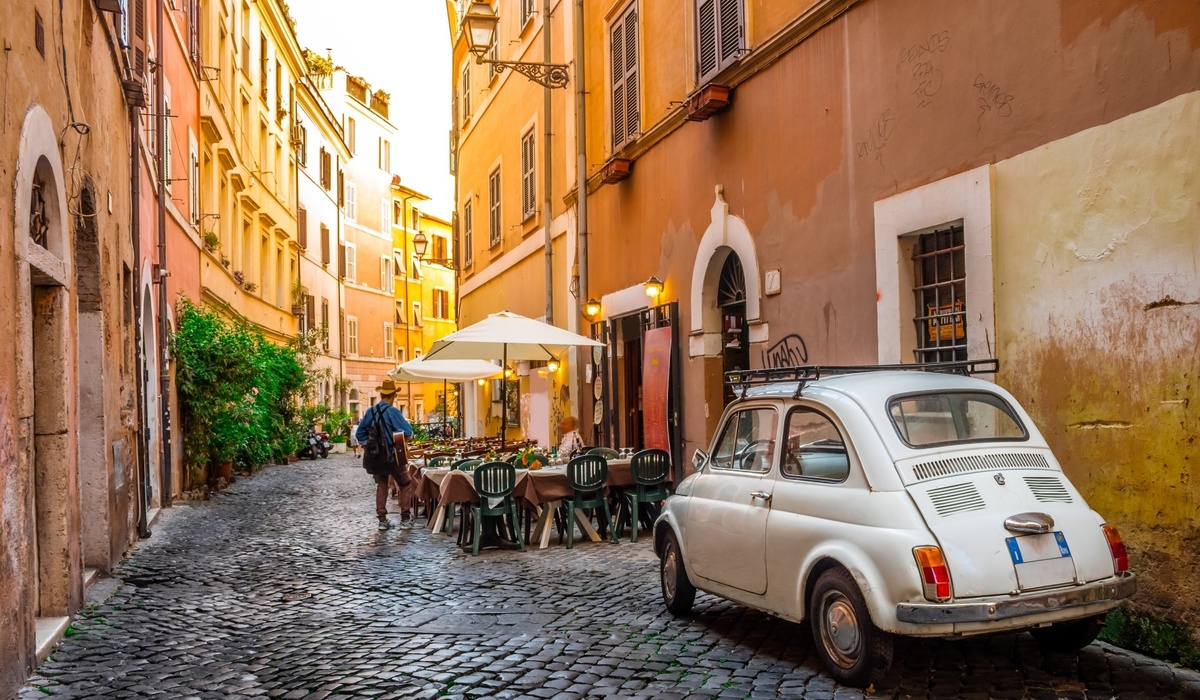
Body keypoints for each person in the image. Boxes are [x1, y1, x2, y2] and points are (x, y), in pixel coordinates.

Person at [356, 380, 415, 530]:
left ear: (382, 394)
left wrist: (368, 446)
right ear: (393, 395)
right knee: (405, 483)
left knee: (382, 485)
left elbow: (359, 433)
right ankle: (405, 519)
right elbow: (408, 432)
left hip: (376, 457)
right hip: (393, 455)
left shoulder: (371, 411)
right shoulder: (393, 411)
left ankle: (382, 520)